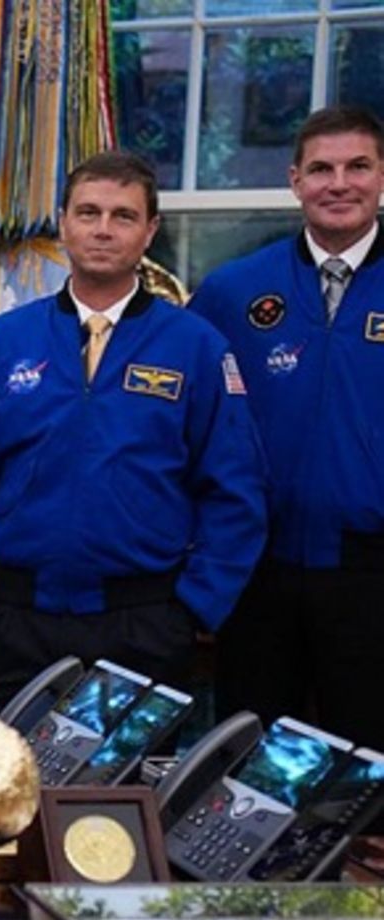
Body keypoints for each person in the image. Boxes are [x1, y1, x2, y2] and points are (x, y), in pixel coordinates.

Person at [0, 151, 267, 716]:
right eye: (88, 213)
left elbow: (236, 491)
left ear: (150, 231)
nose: (103, 229)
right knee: (3, 774)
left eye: (123, 216)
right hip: (14, 624)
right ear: (63, 223)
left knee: (127, 780)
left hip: (143, 626)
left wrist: (195, 609)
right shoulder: (6, 341)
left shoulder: (197, 346)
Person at [188, 106, 384, 747]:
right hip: (256, 572)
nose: (340, 184)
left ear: (382, 176)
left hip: (372, 577)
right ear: (295, 180)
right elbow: (188, 428)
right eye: (322, 169)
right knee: (251, 766)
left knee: (368, 775)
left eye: (358, 167)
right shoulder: (232, 291)